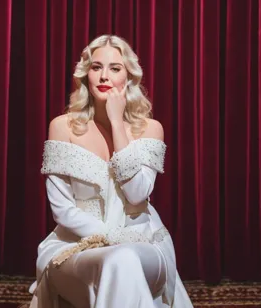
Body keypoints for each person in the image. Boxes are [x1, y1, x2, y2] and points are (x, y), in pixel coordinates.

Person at [27, 34, 194, 308]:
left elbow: (137, 195)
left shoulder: (151, 129)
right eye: (96, 67)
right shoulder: (61, 127)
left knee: (126, 257)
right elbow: (62, 210)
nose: (104, 76)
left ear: (128, 77)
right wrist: (111, 239)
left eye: (115, 68)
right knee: (121, 259)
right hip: (74, 246)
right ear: (86, 74)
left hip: (145, 242)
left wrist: (117, 123)